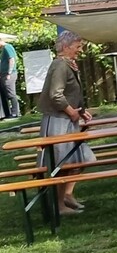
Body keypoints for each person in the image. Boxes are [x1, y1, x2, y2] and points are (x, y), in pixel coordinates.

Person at [39, 31, 95, 216]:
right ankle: (59, 206)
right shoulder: (59, 65)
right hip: (58, 121)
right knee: (61, 164)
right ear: (65, 47)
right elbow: (55, 95)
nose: (80, 50)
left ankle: (67, 196)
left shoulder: (67, 64)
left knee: (81, 159)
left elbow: (71, 92)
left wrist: (80, 110)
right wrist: (72, 112)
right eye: (77, 47)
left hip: (68, 120)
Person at [0, 38, 20, 118]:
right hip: (5, 74)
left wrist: (9, 72)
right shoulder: (4, 49)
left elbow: (11, 59)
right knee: (8, 94)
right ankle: (11, 112)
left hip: (9, 75)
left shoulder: (7, 47)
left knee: (11, 94)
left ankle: (15, 112)